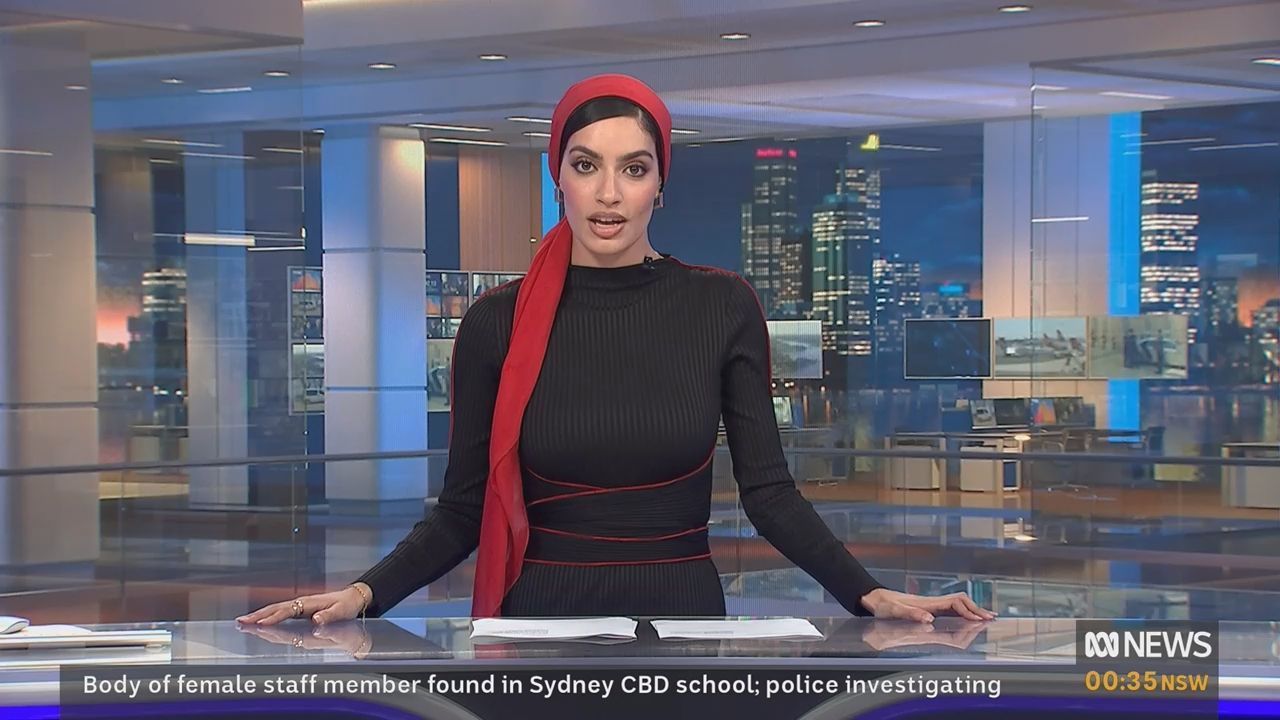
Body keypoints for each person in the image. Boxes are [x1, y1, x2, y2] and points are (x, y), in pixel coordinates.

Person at [238, 74, 993, 628]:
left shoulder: (721, 306)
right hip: (541, 630)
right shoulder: (496, 323)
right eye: (586, 165)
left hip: (683, 626)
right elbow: (463, 511)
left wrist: (867, 592)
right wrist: (363, 594)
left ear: (659, 184)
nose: (608, 193)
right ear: (558, 177)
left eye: (633, 168)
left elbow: (770, 495)